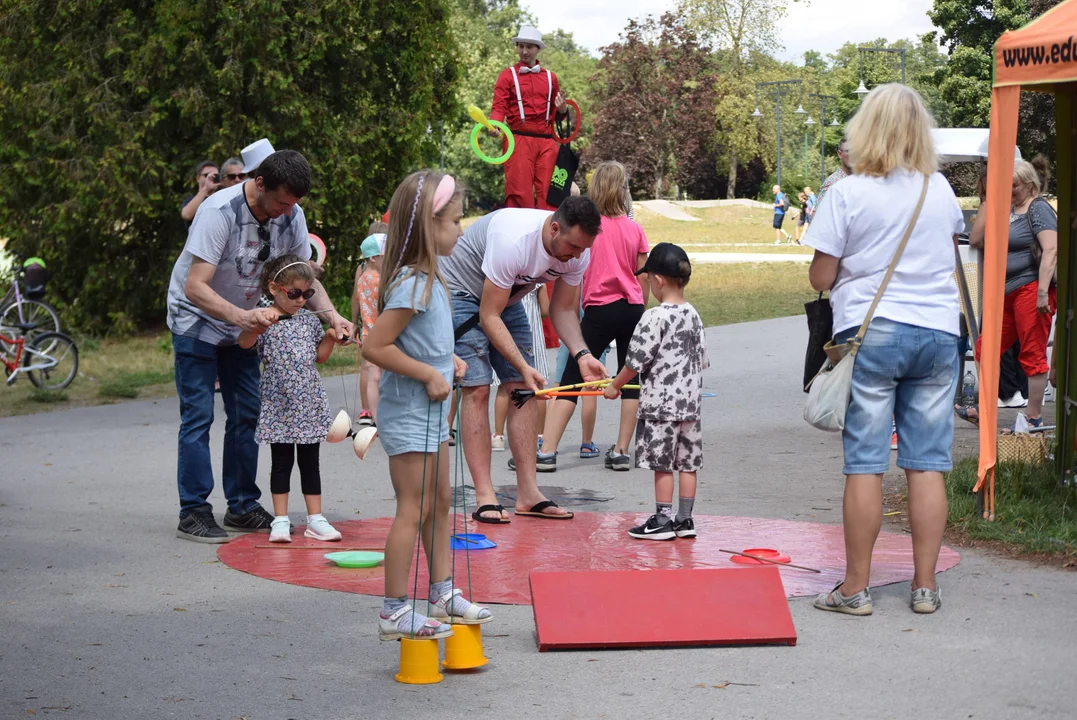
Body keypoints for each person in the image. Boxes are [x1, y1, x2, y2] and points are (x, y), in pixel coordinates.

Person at [803, 84, 965, 616]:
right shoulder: (937, 188)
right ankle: (925, 587)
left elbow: (821, 275)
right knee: (926, 465)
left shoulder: (847, 192)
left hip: (873, 332)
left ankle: (855, 588)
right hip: (939, 333)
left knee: (866, 465)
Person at [166, 150, 353, 543]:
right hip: (197, 320)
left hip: (245, 323)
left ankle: (241, 505)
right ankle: (194, 510)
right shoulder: (220, 211)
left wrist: (331, 316)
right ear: (260, 184)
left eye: (295, 204)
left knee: (247, 415)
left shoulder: (293, 215)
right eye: (282, 202)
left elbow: (303, 278)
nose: (288, 212)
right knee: (199, 416)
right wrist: (242, 317)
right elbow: (194, 285)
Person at [361, 170, 491, 638]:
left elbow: (419, 340)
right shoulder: (413, 282)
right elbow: (376, 347)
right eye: (454, 221)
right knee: (412, 507)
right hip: (411, 411)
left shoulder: (433, 279)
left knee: (439, 502)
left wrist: (448, 358)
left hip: (431, 411)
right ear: (427, 226)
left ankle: (441, 592)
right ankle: (393, 610)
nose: (460, 229)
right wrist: (426, 373)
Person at [438, 197, 605, 523]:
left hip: (507, 294)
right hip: (460, 290)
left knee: (524, 388)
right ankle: (485, 495)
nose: (576, 255)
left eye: (583, 249)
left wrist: (582, 355)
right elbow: (488, 315)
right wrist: (522, 364)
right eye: (572, 246)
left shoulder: (576, 253)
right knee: (478, 386)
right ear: (554, 228)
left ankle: (528, 493)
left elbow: (561, 309)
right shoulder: (514, 239)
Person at [538, 161, 649, 472]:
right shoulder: (635, 229)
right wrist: (641, 311)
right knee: (631, 379)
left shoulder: (589, 231)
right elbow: (642, 278)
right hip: (631, 308)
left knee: (573, 378)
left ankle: (547, 450)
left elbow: (576, 275)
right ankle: (623, 450)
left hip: (598, 308)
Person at [603, 243, 708, 540]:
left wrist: (614, 386)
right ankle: (685, 520)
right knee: (687, 463)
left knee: (662, 465)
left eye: (648, 279)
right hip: (689, 406)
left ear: (658, 280)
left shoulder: (653, 317)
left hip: (660, 406)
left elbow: (635, 361)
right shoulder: (693, 315)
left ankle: (662, 519)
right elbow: (702, 360)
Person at [238, 254, 342, 544]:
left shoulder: (309, 321)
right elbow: (244, 343)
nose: (300, 300)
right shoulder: (263, 317)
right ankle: (280, 520)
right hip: (278, 403)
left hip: (308, 401)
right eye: (294, 293)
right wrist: (258, 325)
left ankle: (315, 519)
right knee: (281, 463)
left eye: (306, 294)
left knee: (311, 463)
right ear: (275, 289)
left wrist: (330, 338)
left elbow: (319, 357)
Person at [961, 157, 1058, 429]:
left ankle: (1034, 417)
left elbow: (1051, 248)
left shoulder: (1038, 208)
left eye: (1013, 185)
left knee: (1032, 352)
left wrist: (1041, 293)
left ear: (1029, 185)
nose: (1009, 190)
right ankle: (985, 409)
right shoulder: (1009, 209)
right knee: (985, 349)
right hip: (1007, 292)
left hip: (1030, 290)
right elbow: (978, 239)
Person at [490, 26, 570, 210]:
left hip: (546, 142)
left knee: (550, 195)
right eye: (521, 46)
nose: (524, 51)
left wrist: (563, 109)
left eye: (529, 47)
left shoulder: (551, 78)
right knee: (519, 193)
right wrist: (494, 125)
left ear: (538, 49)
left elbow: (559, 114)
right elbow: (499, 106)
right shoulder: (507, 75)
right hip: (518, 140)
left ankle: (550, 236)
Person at [492, 287, 550, 452]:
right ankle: (538, 435)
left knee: (504, 386)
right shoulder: (537, 281)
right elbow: (545, 310)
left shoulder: (506, 279)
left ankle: (498, 435)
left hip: (505, 330)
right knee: (537, 386)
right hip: (531, 335)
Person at [352, 224, 388, 426]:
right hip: (380, 334)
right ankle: (377, 415)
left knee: (372, 374)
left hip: (368, 332)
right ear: (374, 257)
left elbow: (358, 300)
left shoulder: (364, 276)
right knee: (378, 378)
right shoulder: (379, 280)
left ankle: (370, 413)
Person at [181, 160, 221, 227]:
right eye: (206, 175)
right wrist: (205, 189)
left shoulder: (222, 199)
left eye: (215, 176)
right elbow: (186, 215)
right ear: (198, 178)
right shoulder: (191, 201)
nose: (210, 178)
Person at [815, 137, 851, 207]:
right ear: (840, 154)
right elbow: (819, 213)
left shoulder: (864, 180)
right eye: (848, 151)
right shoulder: (832, 183)